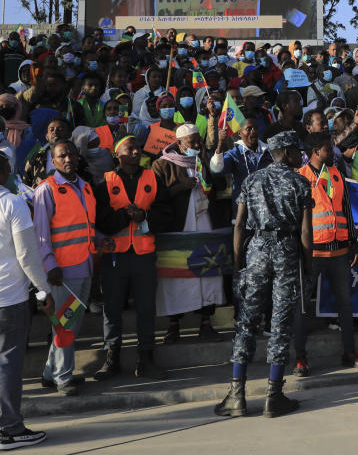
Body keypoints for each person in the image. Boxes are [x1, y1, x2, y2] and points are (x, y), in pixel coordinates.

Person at [215, 131, 312, 419]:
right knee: (280, 322)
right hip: (286, 250)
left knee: (246, 322)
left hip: (255, 250)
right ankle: (273, 395)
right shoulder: (300, 182)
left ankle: (237, 395)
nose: (300, 155)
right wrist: (309, 266)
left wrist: (236, 263)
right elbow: (305, 232)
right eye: (297, 150)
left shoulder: (252, 179)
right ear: (286, 151)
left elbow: (239, 225)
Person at [292, 132, 358, 376]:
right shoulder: (300, 177)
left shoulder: (336, 173)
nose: (333, 153)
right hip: (311, 253)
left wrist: (353, 243)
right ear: (316, 151)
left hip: (339, 251)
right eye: (328, 149)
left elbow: (347, 209)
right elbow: (296, 219)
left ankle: (349, 352)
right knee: (302, 306)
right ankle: (300, 358)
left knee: (345, 305)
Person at [92, 136, 167, 381]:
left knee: (146, 308)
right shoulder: (104, 181)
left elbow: (167, 213)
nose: (135, 152)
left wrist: (144, 216)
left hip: (144, 255)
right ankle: (111, 359)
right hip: (115, 256)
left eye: (137, 148)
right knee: (112, 308)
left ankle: (146, 359)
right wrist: (126, 216)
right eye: (129, 148)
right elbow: (100, 219)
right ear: (117, 154)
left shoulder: (153, 178)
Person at [152, 123, 228, 343]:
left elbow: (221, 184)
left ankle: (206, 323)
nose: (197, 145)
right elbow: (154, 197)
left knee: (208, 275)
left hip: (205, 229)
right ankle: (174, 326)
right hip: (177, 233)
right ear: (179, 144)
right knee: (176, 280)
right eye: (192, 142)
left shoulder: (202, 161)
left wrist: (207, 162)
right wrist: (178, 187)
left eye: (199, 141)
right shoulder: (161, 165)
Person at [0, 150, 53, 450]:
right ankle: (9, 428)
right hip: (8, 299)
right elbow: (27, 255)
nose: (12, 171)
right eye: (8, 167)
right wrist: (42, 290)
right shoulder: (12, 203)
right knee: (7, 363)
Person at [33, 140, 95, 396]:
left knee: (70, 324)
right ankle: (63, 378)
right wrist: (50, 265)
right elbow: (40, 234)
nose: (68, 159)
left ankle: (51, 373)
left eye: (71, 154)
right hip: (62, 272)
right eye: (62, 156)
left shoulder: (85, 187)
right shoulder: (46, 190)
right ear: (54, 161)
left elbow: (86, 226)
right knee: (65, 326)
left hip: (85, 265)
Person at [209, 121, 271, 214]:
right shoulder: (234, 154)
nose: (253, 131)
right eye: (249, 129)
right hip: (243, 214)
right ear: (240, 133)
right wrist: (220, 143)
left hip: (267, 212)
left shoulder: (269, 152)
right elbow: (216, 170)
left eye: (255, 128)